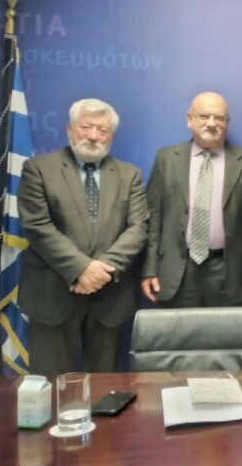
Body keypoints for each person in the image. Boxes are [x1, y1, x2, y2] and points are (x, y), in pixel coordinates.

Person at [17, 98, 148, 375]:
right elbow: (37, 225)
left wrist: (100, 271)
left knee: (105, 387)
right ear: (69, 129)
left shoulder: (129, 175)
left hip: (109, 297)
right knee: (50, 385)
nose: (93, 135)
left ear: (111, 136)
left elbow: (138, 228)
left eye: (102, 130)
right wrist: (81, 269)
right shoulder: (38, 168)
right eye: (86, 127)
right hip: (52, 295)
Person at [141, 92, 242, 307]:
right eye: (204, 116)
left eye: (219, 118)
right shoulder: (166, 158)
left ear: (227, 122)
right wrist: (149, 268)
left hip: (230, 272)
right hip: (177, 271)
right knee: (179, 330)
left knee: (226, 330)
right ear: (189, 119)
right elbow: (153, 218)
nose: (212, 123)